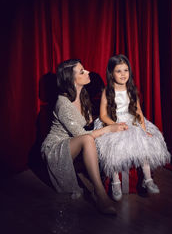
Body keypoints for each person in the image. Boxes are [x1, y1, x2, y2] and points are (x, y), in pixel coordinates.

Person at [41, 59, 127, 215]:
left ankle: (112, 177)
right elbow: (82, 135)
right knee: (89, 138)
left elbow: (89, 123)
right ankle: (99, 193)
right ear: (71, 79)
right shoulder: (62, 104)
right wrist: (109, 129)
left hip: (74, 142)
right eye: (82, 71)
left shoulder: (82, 95)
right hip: (56, 148)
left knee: (100, 127)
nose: (87, 72)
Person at [94, 54, 171, 201]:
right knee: (114, 147)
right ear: (111, 73)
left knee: (143, 142)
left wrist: (143, 129)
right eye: (119, 71)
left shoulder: (131, 90)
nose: (123, 74)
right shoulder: (107, 91)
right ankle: (115, 183)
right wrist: (114, 125)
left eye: (126, 70)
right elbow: (103, 115)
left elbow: (138, 112)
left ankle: (147, 179)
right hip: (114, 122)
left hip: (131, 121)